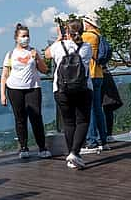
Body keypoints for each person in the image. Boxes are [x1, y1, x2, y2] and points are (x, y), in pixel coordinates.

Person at [44, 19, 93, 169]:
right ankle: (75, 153)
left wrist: (59, 39)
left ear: (66, 31)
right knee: (83, 121)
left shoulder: (58, 47)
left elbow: (46, 54)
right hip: (83, 89)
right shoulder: (86, 47)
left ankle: (72, 156)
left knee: (68, 122)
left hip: (61, 90)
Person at [0, 23, 51, 159]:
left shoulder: (33, 52)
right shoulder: (10, 54)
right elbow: (4, 75)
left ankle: (42, 147)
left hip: (33, 88)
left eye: (27, 36)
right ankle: (23, 147)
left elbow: (45, 70)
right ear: (16, 38)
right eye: (23, 36)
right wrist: (2, 95)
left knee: (36, 117)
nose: (26, 38)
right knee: (20, 119)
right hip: (14, 89)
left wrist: (37, 58)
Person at [80, 14, 108, 152]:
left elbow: (73, 43)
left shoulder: (88, 36)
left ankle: (91, 141)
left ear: (88, 23)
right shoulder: (99, 35)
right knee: (98, 109)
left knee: (89, 109)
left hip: (90, 75)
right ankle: (103, 139)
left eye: (84, 22)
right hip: (99, 74)